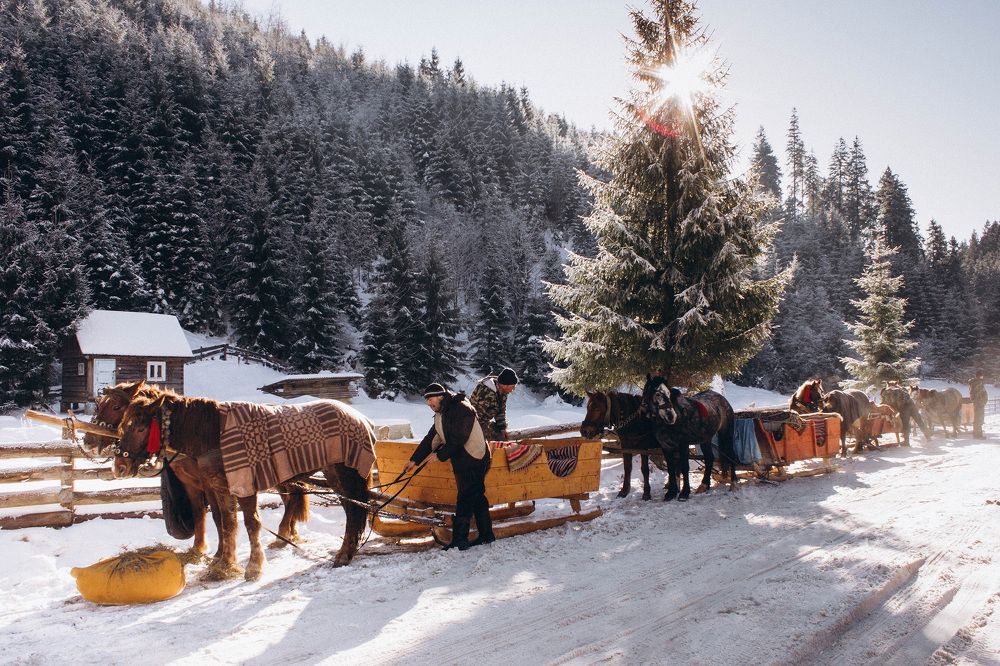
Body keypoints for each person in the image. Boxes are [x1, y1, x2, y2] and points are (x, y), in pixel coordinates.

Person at [403, 383, 495, 550]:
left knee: (465, 497)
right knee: (477, 496)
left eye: (431, 400)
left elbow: (459, 438)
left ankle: (460, 540)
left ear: (440, 396)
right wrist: (414, 460)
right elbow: (432, 438)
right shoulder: (441, 413)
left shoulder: (461, 408)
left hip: (475, 456)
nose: (429, 404)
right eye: (427, 401)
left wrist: (440, 455)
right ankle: (487, 535)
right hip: (463, 459)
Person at [470, 367, 518, 440]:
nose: (513, 389)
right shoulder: (486, 392)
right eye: (513, 386)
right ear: (505, 385)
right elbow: (475, 417)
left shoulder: (503, 392)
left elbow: (500, 411)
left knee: (503, 434)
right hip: (473, 423)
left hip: (483, 422)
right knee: (496, 436)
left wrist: (502, 428)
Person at [969, 370, 988, 439]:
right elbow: (977, 394)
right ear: (979, 376)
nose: (982, 377)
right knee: (979, 419)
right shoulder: (977, 383)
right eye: (982, 375)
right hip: (979, 403)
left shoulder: (975, 383)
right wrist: (981, 401)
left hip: (978, 403)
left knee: (977, 418)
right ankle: (978, 435)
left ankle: (976, 433)